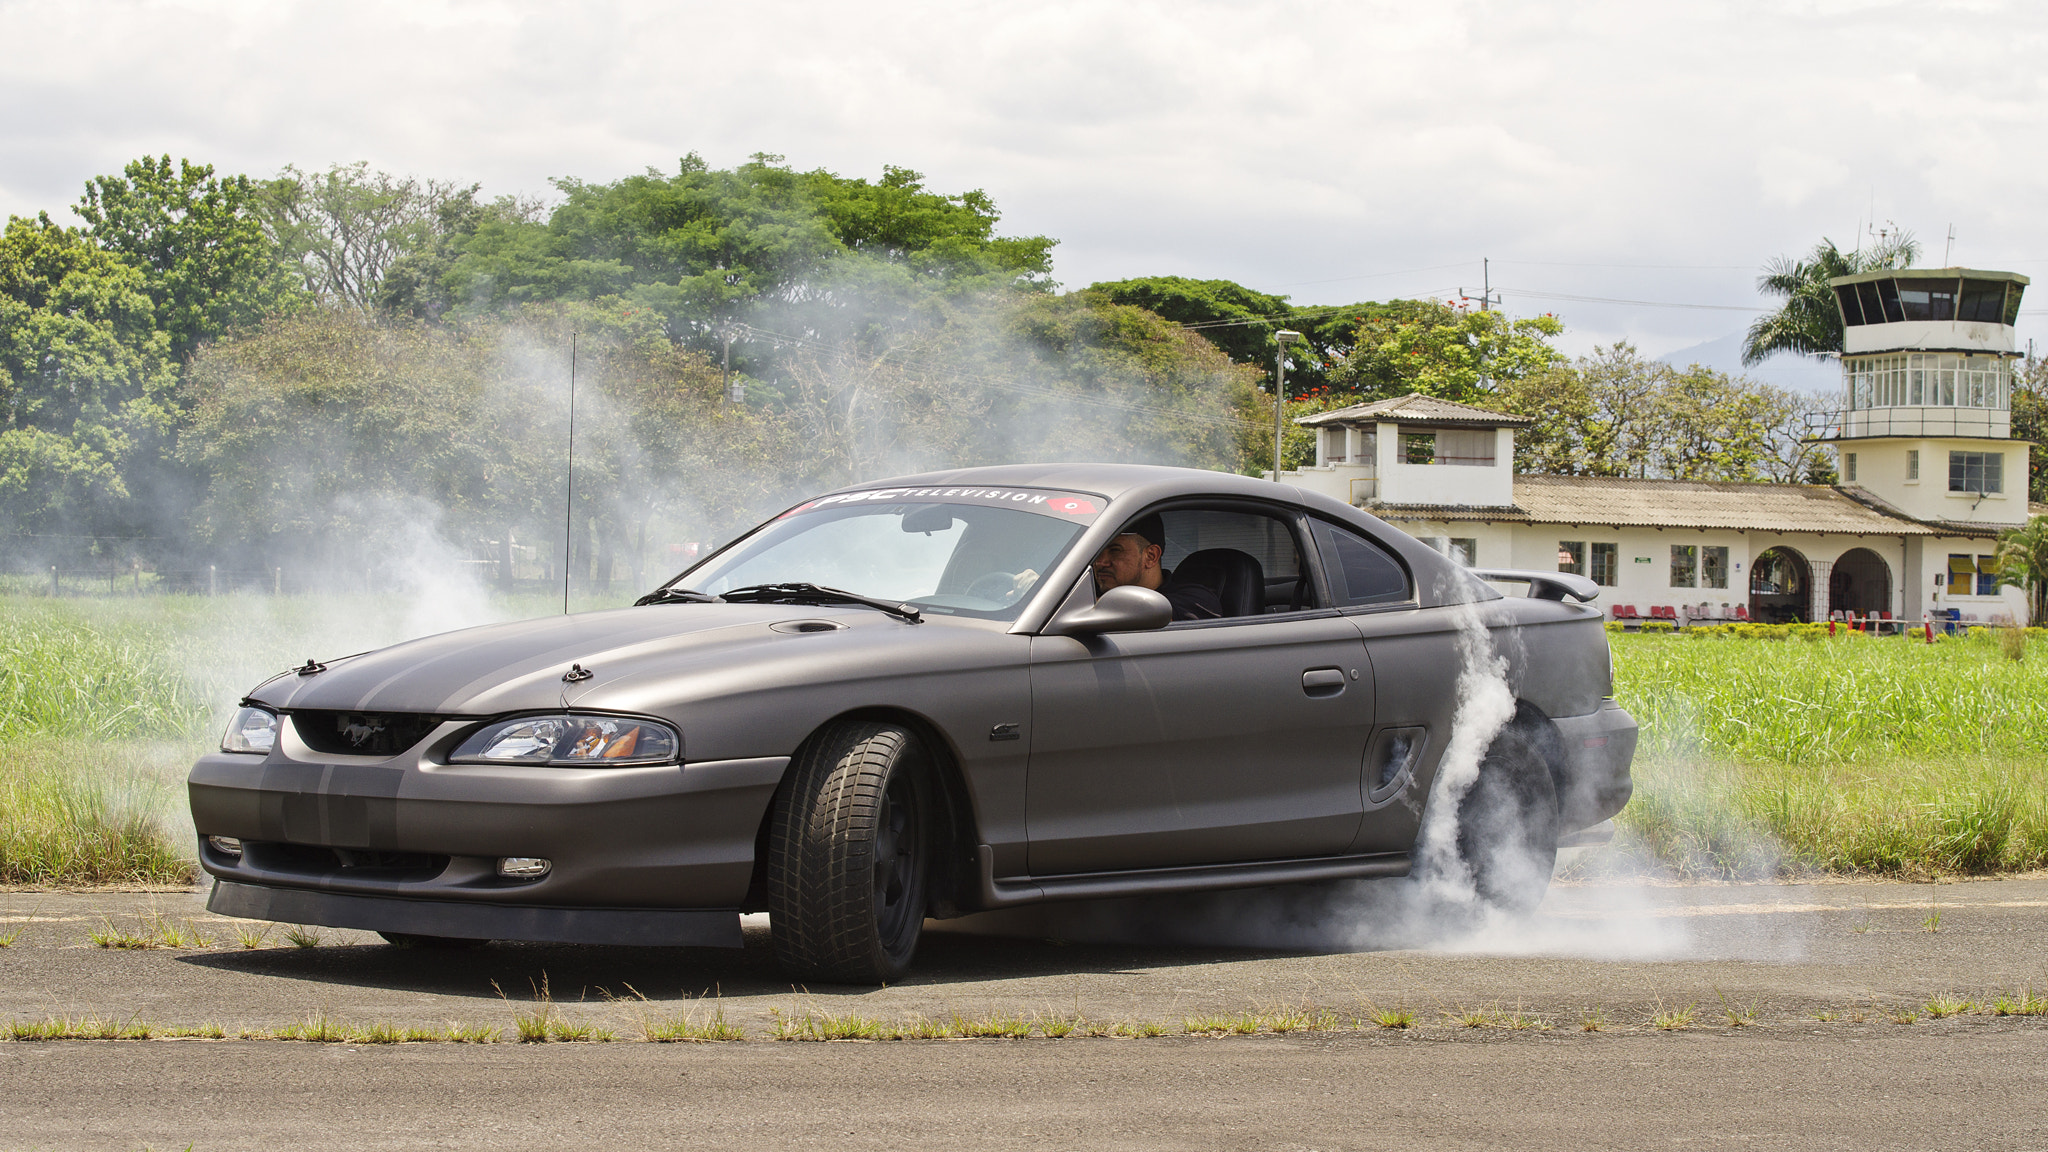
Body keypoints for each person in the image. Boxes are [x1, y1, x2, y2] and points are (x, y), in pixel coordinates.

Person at [1090, 513, 1223, 621]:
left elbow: (1149, 616)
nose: (1100, 562)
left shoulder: (1195, 600)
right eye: (1097, 552)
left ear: (1151, 556)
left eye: (1115, 550)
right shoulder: (1087, 592)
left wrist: (1085, 607)